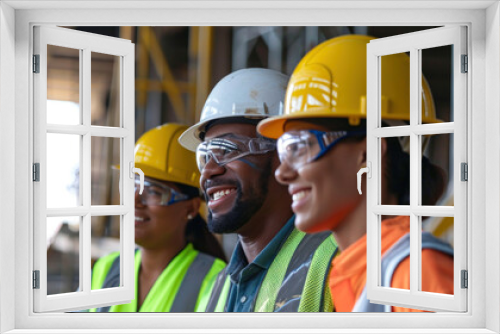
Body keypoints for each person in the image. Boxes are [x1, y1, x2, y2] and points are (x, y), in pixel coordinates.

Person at [257, 35, 454, 312]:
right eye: (284, 150)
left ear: (368, 153)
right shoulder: (355, 272)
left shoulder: (417, 276)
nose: (282, 172)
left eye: (300, 147)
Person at [178, 68, 337, 312]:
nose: (208, 171)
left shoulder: (334, 263)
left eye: (227, 150)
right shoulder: (218, 290)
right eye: (205, 155)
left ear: (286, 156)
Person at [90, 123, 226, 312]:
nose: (135, 200)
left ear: (191, 208)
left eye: (153, 191)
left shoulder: (214, 279)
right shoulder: (105, 269)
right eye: (133, 185)